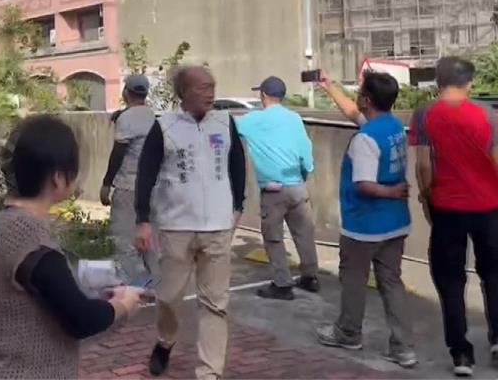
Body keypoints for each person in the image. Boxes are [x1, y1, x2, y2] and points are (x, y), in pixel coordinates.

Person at [0, 115, 142, 379]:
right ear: (59, 177)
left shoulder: (6, 222)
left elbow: (53, 298)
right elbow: (80, 318)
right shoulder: (27, 233)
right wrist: (123, 305)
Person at [134, 65, 246, 379]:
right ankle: (165, 340)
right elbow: (146, 174)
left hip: (218, 227)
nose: (210, 92)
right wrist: (142, 220)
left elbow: (237, 164)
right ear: (183, 93)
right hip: (176, 226)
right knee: (168, 297)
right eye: (201, 87)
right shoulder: (165, 126)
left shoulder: (225, 123)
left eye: (212, 85)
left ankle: (209, 373)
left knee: (215, 304)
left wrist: (239, 205)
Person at [409, 57, 498, 377]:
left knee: (451, 279)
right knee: (493, 271)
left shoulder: (425, 114)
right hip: (487, 205)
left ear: (438, 83)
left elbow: (424, 165)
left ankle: (461, 354)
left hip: (448, 207)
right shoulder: (487, 113)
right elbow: (496, 162)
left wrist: (427, 198)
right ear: (469, 83)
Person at [314, 70, 417, 368]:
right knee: (391, 282)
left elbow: (364, 184)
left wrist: (390, 190)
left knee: (354, 279)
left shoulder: (365, 139)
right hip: (395, 223)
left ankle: (348, 332)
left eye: (360, 93)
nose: (356, 97)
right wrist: (328, 86)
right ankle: (403, 347)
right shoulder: (392, 127)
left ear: (367, 100)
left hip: (364, 226)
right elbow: (351, 112)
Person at [235, 75, 320, 300]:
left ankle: (282, 284)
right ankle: (310, 277)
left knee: (273, 238)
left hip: (273, 191)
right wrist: (303, 174)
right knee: (304, 234)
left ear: (263, 95)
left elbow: (229, 127)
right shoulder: (294, 118)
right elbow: (305, 152)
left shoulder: (253, 120)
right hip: (297, 186)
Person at [101, 74, 158, 281]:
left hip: (128, 188)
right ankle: (157, 284)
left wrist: (106, 183)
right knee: (150, 238)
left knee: (123, 238)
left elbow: (118, 154)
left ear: (126, 92)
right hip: (153, 188)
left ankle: (130, 286)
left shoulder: (126, 119)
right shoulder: (153, 116)